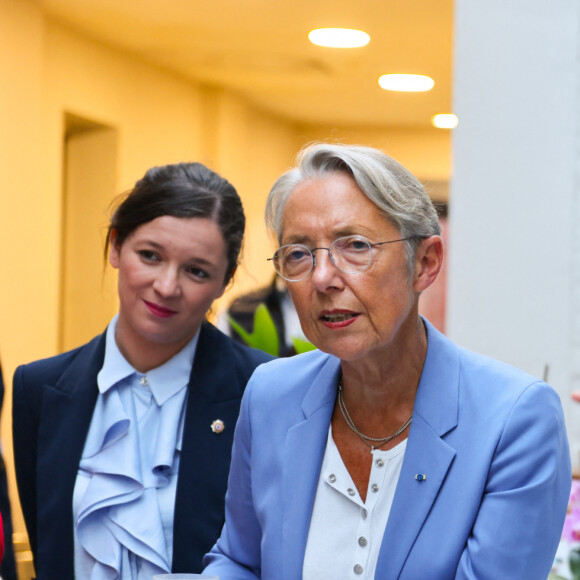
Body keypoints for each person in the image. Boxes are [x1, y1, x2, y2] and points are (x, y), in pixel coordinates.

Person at [203, 143, 571, 579]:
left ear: (426, 263)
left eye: (355, 245)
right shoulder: (271, 394)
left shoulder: (514, 420)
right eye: (298, 254)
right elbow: (240, 560)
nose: (322, 278)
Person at [12, 162, 272, 579]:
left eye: (196, 271)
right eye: (150, 256)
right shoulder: (39, 388)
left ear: (225, 282)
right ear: (116, 245)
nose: (167, 287)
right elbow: (50, 553)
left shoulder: (264, 391)